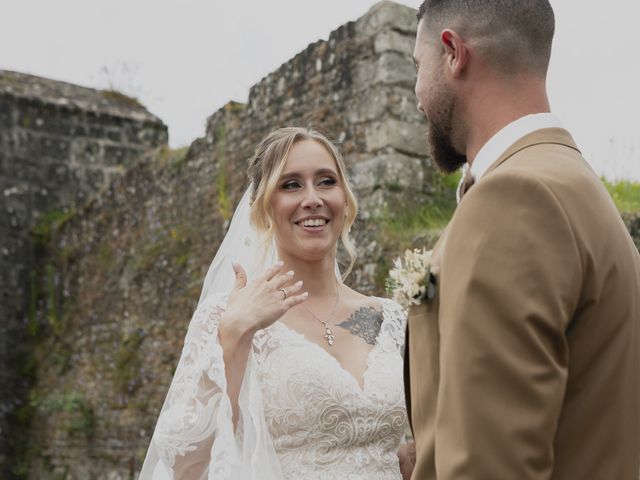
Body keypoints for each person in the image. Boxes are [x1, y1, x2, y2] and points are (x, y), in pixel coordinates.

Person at [405, 1, 640, 479]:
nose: (416, 93)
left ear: (452, 53)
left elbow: (489, 467)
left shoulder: (513, 198)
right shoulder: (576, 186)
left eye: (417, 67)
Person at [139, 127, 414, 480]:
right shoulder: (227, 316)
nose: (312, 198)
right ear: (263, 206)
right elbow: (184, 467)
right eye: (291, 185)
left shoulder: (388, 318)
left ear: (345, 199)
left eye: (326, 181)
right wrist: (234, 336)